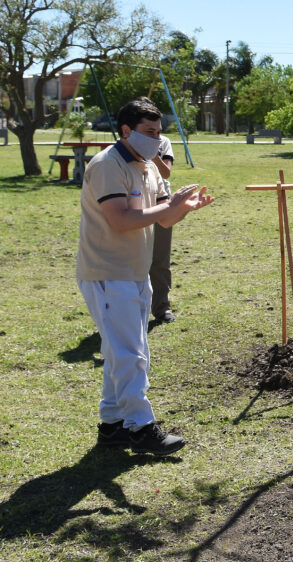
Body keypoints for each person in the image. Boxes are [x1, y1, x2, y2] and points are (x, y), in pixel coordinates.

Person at [78, 98, 214, 455]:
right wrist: (168, 207)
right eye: (149, 132)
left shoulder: (148, 167)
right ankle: (141, 428)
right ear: (126, 131)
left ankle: (113, 426)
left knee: (120, 352)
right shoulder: (108, 165)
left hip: (135, 272)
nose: (157, 141)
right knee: (129, 354)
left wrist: (183, 209)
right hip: (108, 273)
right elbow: (122, 220)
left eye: (159, 132)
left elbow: (163, 220)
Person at [149, 133, 177, 323]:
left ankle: (161, 307)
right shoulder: (126, 144)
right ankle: (134, 307)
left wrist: (153, 155)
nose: (154, 134)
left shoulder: (163, 142)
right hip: (135, 201)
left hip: (161, 202)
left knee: (160, 257)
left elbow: (166, 172)